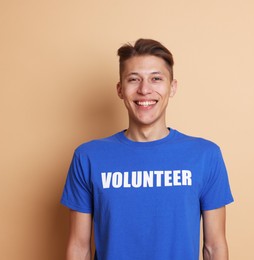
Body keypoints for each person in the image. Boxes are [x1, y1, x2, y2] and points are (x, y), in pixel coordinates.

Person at [61, 38, 234, 260]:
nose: (145, 89)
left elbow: (214, 247)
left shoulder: (205, 155)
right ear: (120, 89)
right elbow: (78, 247)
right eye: (134, 79)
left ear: (172, 87)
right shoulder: (88, 158)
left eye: (156, 79)